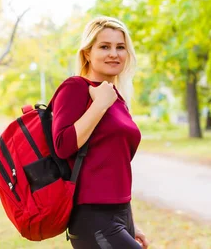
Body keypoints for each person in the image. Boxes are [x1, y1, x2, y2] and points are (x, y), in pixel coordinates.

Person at [52, 16, 149, 249]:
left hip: (121, 212)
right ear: (87, 53)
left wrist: (131, 223)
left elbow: (116, 165)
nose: (113, 54)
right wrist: (99, 105)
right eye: (104, 47)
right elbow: (63, 145)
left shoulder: (118, 100)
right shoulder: (75, 88)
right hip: (92, 215)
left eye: (120, 47)